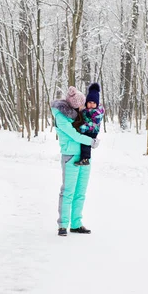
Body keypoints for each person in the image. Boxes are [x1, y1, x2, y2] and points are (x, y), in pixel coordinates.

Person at [51, 86, 100, 237]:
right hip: (71, 156)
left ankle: (76, 223)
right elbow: (74, 135)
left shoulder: (78, 114)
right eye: (80, 104)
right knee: (68, 192)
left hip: (85, 156)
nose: (83, 107)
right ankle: (63, 225)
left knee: (80, 193)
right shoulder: (61, 116)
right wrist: (92, 141)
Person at [73, 83, 105, 166]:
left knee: (86, 142)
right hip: (86, 128)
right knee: (82, 142)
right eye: (89, 102)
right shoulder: (85, 109)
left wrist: (83, 127)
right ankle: (83, 157)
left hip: (92, 130)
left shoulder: (97, 112)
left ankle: (85, 159)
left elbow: (93, 123)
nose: (91, 104)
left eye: (94, 103)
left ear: (97, 104)